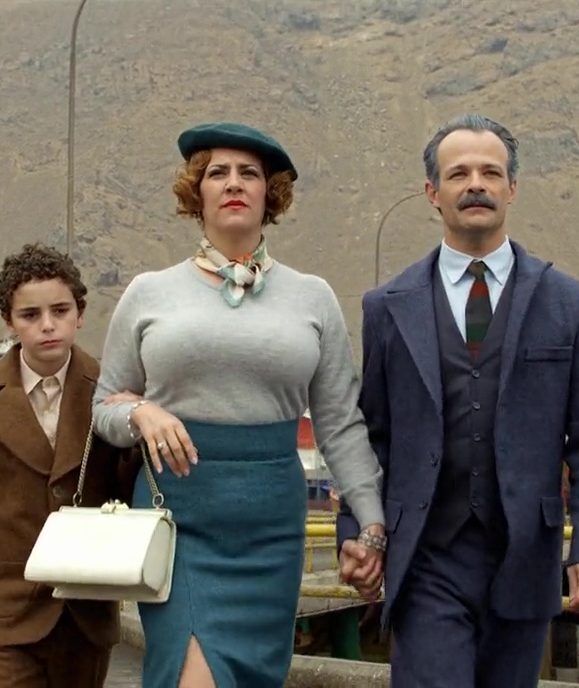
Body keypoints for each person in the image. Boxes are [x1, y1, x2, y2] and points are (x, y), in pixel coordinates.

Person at [91, 121, 386, 688]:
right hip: (179, 520)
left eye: (249, 173)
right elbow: (105, 405)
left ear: (268, 194)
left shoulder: (313, 296)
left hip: (270, 527)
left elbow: (340, 424)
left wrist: (368, 520)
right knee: (192, 677)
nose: (233, 183)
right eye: (217, 173)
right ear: (195, 192)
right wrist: (142, 413)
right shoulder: (148, 292)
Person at [336, 114, 579, 687]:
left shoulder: (569, 303)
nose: (476, 184)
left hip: (524, 557)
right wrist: (355, 530)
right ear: (432, 193)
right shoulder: (386, 306)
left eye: (491, 172)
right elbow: (371, 437)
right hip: (426, 558)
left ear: (512, 188)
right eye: (459, 173)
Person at [0, 243, 139, 688]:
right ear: (9, 321)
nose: (47, 325)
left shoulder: (110, 391)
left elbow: (128, 490)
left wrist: (134, 427)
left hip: (85, 612)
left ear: (80, 313)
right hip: (6, 618)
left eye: (60, 310)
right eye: (30, 315)